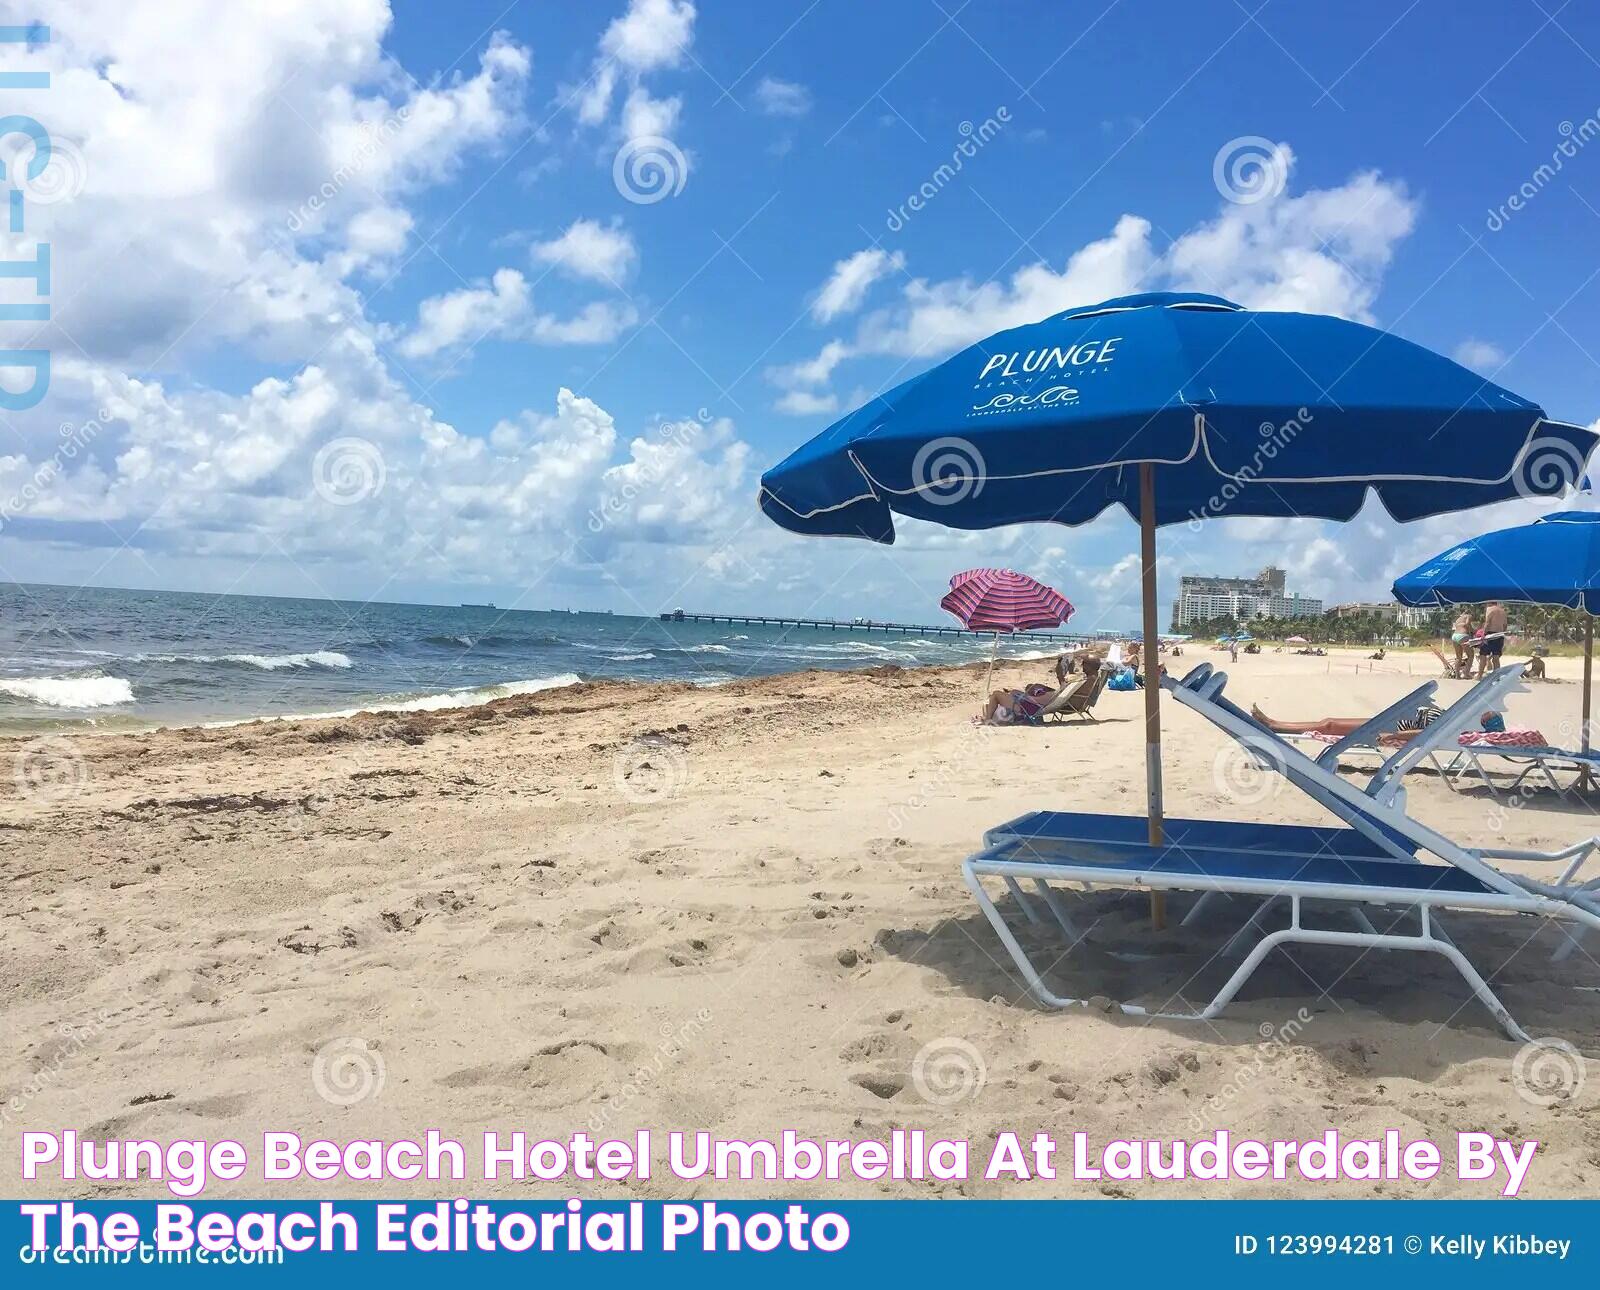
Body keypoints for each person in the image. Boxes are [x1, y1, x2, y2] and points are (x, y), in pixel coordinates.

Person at [984, 657, 1100, 725]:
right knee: (1021, 690)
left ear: (1090, 665)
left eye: (1084, 663)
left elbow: (1064, 690)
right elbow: (1066, 692)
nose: (1082, 665)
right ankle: (1008, 702)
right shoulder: (1090, 679)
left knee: (996, 694)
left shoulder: (1086, 680)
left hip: (1032, 707)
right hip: (1044, 703)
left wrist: (1060, 675)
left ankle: (987, 721)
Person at [1477, 602, 1507, 678]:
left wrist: (1483, 633)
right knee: (1496, 656)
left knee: (1483, 655)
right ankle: (1497, 676)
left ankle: (1479, 675)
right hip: (1499, 634)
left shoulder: (1489, 609)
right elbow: (1505, 625)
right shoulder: (1503, 611)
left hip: (1490, 634)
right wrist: (1501, 633)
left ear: (1488, 603)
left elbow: (1487, 622)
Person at [1452, 610, 1475, 674]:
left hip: (1454, 636)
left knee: (1458, 657)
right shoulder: (1468, 616)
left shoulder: (1458, 619)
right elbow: (1467, 624)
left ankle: (1457, 675)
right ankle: (1466, 673)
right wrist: (1472, 631)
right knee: (1471, 656)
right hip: (1463, 635)